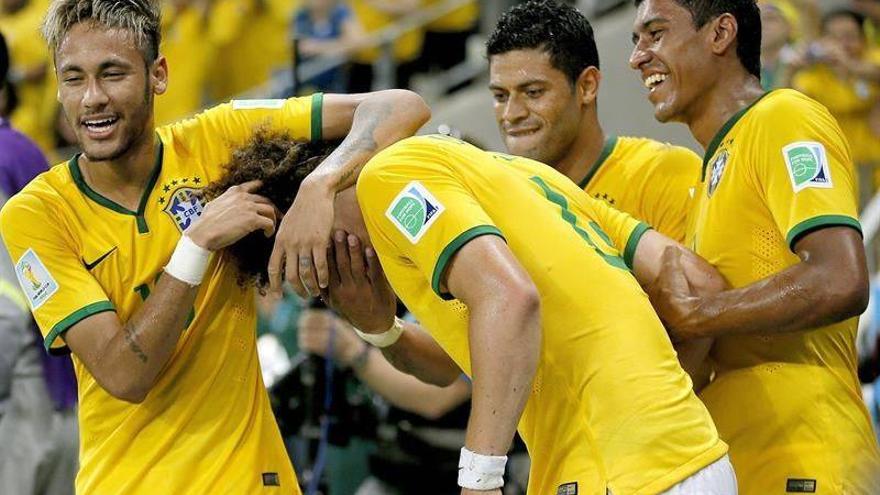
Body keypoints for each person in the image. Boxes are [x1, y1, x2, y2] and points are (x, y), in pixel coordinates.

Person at [0, 0, 430, 493]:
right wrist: (197, 242)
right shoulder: (36, 212)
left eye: (112, 74)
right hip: (128, 482)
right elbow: (123, 375)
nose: (91, 98)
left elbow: (400, 105)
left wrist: (320, 185)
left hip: (253, 478)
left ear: (157, 74)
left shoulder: (216, 136)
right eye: (73, 78)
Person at [207, 131, 736, 494]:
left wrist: (478, 479)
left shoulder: (388, 179)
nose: (325, 283)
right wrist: (380, 330)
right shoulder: (526, 175)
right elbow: (698, 280)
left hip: (624, 475)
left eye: (308, 266)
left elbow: (511, 301)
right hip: (690, 455)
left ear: (304, 218)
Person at [629, 0, 880, 492]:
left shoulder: (783, 116)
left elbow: (839, 277)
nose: (637, 57)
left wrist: (699, 314)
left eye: (654, 34)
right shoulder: (711, 171)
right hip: (746, 464)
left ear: (721, 33)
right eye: (635, 40)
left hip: (810, 457)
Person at [487, 0, 700, 245]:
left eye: (533, 92)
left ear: (587, 85)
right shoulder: (500, 211)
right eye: (500, 96)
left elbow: (705, 283)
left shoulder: (662, 176)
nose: (511, 114)